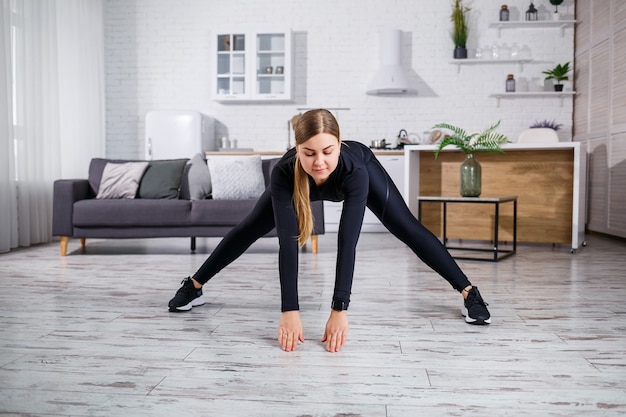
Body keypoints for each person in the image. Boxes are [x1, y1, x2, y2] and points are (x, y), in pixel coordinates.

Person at [168, 108, 491, 353]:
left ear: (339, 144)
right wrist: (289, 310)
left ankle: (468, 292)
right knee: (248, 228)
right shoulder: (284, 172)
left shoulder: (355, 170)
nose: (319, 161)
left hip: (360, 171)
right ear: (296, 149)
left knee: (407, 228)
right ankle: (194, 285)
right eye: (309, 153)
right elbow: (289, 243)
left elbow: (347, 243)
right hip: (294, 184)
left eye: (327, 151)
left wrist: (339, 308)